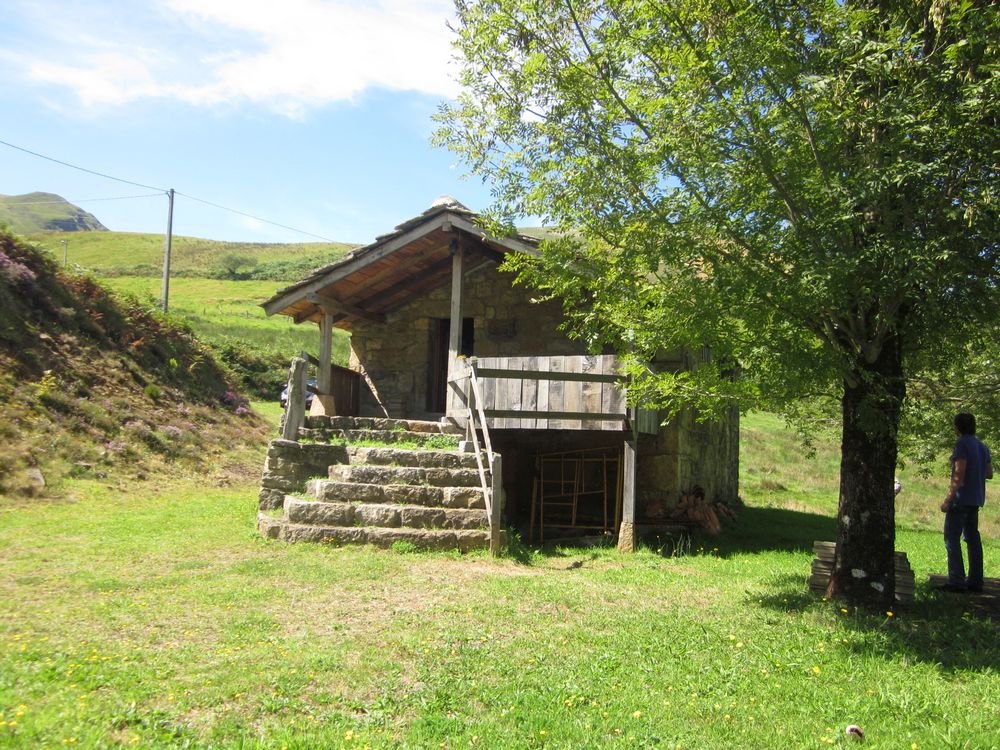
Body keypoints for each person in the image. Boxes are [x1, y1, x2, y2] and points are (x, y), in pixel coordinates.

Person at [939, 413, 993, 593]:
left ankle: (956, 581)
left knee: (951, 538)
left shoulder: (962, 444)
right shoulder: (982, 446)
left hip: (961, 499)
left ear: (957, 428)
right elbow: (989, 473)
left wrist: (948, 499)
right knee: (972, 538)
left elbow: (959, 473)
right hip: (976, 499)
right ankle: (976, 581)